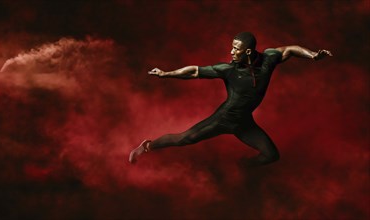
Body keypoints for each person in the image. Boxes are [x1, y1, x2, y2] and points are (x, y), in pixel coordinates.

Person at [129, 32, 332, 166]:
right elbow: (193, 72)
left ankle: (240, 166)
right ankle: (147, 146)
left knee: (271, 155)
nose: (231, 52)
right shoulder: (229, 70)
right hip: (224, 119)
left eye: (236, 49)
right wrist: (166, 74)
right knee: (184, 138)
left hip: (244, 123)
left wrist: (313, 55)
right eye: (232, 47)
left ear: (249, 52)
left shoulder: (268, 59)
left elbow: (290, 49)